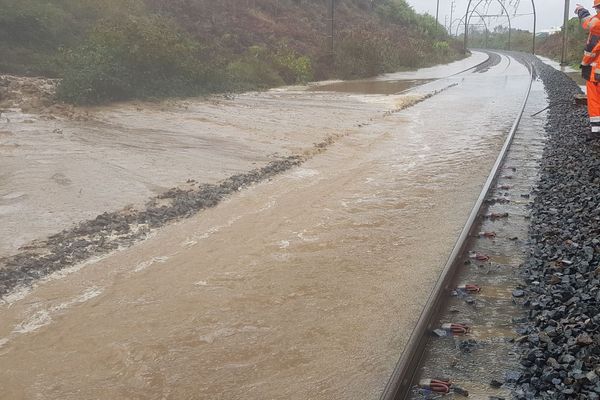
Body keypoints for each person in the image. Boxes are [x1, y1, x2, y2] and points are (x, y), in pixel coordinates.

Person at [575, 2, 600, 137]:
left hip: (596, 71)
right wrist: (581, 10)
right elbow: (587, 21)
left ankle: (596, 131)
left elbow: (589, 23)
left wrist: (585, 63)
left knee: (595, 99)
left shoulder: (597, 23)